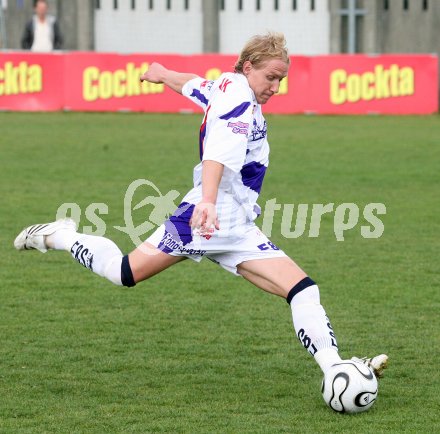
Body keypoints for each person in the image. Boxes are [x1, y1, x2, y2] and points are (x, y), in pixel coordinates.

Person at [14, 33, 387, 389]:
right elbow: (217, 155)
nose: (275, 87)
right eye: (271, 77)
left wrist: (162, 75)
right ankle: (58, 235)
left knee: (303, 290)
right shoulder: (238, 101)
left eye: (281, 79)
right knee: (123, 272)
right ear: (248, 66)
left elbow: (194, 84)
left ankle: (335, 368)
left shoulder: (228, 86)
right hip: (204, 220)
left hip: (236, 225)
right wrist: (207, 201)